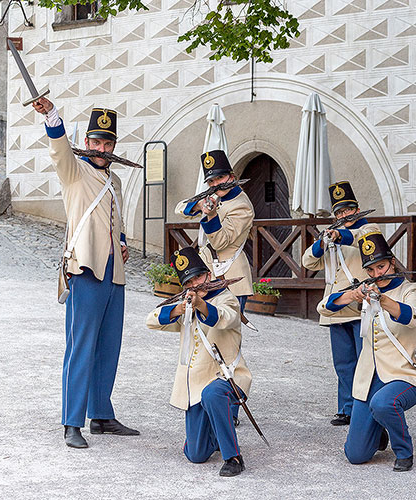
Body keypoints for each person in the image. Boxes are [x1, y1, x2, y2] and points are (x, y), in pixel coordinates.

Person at [32, 97, 138, 448]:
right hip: (85, 267)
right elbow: (59, 149)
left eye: (108, 143)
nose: (102, 148)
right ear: (87, 142)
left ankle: (102, 415)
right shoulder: (74, 170)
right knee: (80, 347)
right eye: (96, 142)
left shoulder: (116, 181)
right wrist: (52, 116)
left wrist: (121, 241)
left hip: (114, 272)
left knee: (109, 346)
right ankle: (71, 422)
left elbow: (116, 220)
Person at [318, 232, 416, 471]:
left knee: (384, 403)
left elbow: (415, 316)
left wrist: (384, 300)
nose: (378, 274)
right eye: (372, 270)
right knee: (355, 455)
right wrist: (351, 294)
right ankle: (379, 427)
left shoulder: (411, 289)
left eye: (382, 266)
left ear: (392, 262)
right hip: (369, 377)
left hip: (403, 373)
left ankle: (404, 451)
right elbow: (323, 308)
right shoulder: (366, 288)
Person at [145, 247, 252, 477]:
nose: (195, 284)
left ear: (209, 275)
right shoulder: (186, 306)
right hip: (194, 387)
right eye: (188, 282)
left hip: (227, 379)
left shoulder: (228, 299)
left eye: (198, 277)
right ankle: (217, 428)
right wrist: (179, 309)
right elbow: (151, 321)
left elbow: (224, 318)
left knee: (213, 394)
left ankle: (233, 457)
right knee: (195, 454)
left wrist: (201, 305)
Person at [301, 181, 380, 426]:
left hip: (360, 305)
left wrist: (340, 234)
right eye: (339, 212)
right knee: (343, 362)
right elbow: (307, 262)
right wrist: (323, 242)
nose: (344, 215)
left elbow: (361, 239)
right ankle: (346, 407)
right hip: (336, 306)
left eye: (348, 210)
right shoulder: (331, 236)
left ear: (357, 209)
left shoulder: (369, 228)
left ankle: (363, 406)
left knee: (365, 360)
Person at [174, 150, 254, 312]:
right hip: (209, 274)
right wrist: (198, 205)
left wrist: (211, 216)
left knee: (227, 330)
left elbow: (220, 242)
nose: (216, 184)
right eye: (211, 181)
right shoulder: (216, 196)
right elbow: (179, 208)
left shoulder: (242, 206)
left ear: (231, 176)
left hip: (230, 275)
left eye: (220, 177)